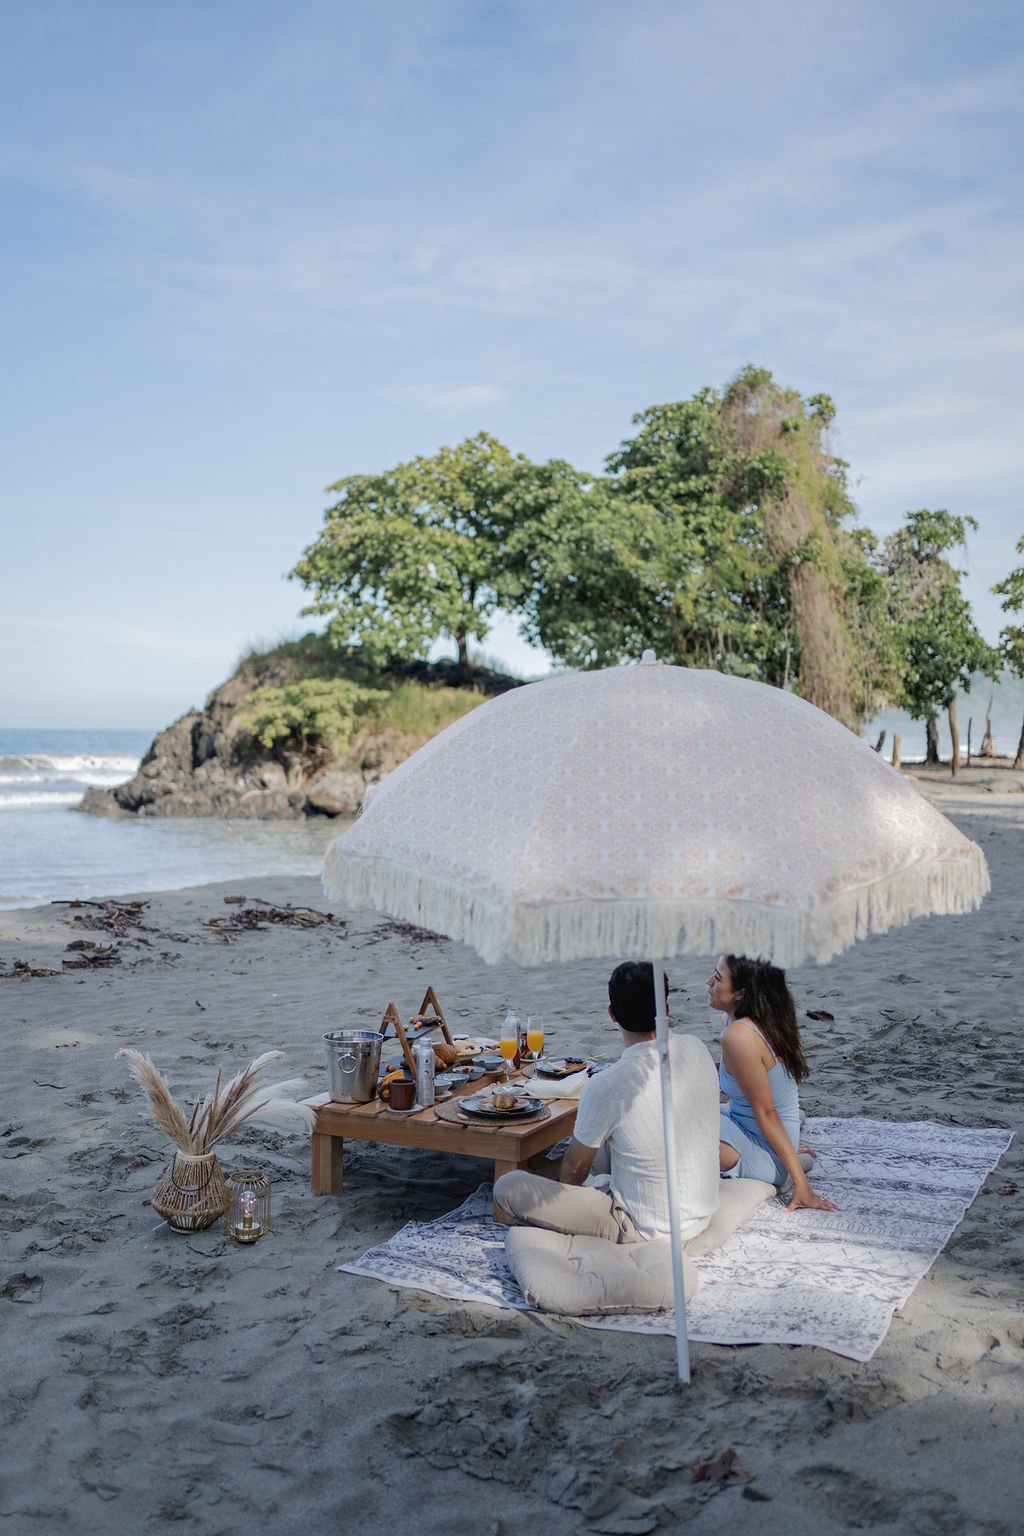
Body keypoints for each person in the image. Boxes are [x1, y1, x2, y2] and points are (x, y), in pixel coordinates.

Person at [493, 960, 720, 1244]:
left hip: (645, 1227)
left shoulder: (608, 1085)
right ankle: (539, 1168)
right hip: (702, 1212)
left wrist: (571, 1198)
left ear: (612, 1014)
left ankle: (535, 1172)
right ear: (667, 1009)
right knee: (606, 1138)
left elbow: (573, 1174)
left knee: (508, 1186)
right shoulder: (697, 1047)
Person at [708, 953, 838, 1213]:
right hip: (749, 1128)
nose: (708, 982)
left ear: (741, 994)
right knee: (693, 1109)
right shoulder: (751, 1020)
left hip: (764, 1154)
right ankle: (788, 1154)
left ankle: (786, 1164)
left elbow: (767, 1112)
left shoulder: (739, 1036)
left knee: (676, 1123)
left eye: (718, 978)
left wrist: (801, 1184)